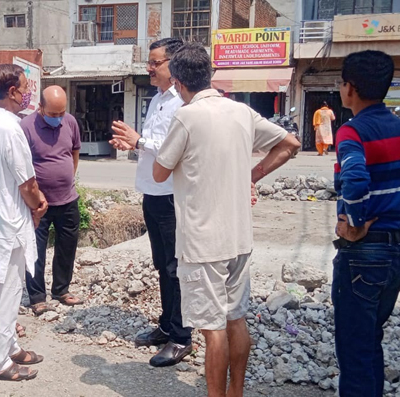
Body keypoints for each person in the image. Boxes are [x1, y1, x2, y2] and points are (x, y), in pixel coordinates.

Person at [152, 43, 300, 397]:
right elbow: (290, 143)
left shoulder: (186, 117)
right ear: (210, 74)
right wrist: (253, 174)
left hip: (203, 241)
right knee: (236, 318)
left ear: (177, 81)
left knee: (212, 329)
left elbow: (159, 173)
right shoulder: (242, 112)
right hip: (238, 237)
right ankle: (236, 391)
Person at [331, 50, 400, 397]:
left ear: (351, 88)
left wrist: (355, 222)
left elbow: (355, 178)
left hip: (362, 254)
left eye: (342, 83)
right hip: (396, 254)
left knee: (354, 352)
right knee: (370, 342)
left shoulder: (351, 131)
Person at [108, 37, 192, 367]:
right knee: (162, 264)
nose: (150, 68)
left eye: (156, 63)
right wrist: (136, 144)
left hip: (172, 195)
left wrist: (139, 140)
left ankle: (182, 336)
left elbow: (177, 148)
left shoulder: (182, 102)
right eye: (150, 62)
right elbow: (154, 146)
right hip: (152, 192)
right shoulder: (157, 99)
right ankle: (166, 325)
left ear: (174, 65)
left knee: (175, 267)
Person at [0, 64, 47, 381]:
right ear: (11, 92)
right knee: (5, 294)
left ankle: (9, 345)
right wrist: (39, 205)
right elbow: (27, 184)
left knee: (5, 290)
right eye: (23, 88)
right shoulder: (9, 127)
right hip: (9, 222)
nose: (27, 94)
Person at [19, 85, 83, 315]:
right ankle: (37, 297)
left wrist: (67, 178)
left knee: (67, 247)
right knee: (36, 250)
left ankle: (61, 290)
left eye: (61, 113)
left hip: (67, 199)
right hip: (38, 203)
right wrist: (35, 195)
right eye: (53, 114)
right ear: (40, 108)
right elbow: (21, 165)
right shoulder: (25, 127)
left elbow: (74, 151)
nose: (58, 118)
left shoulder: (71, 122)